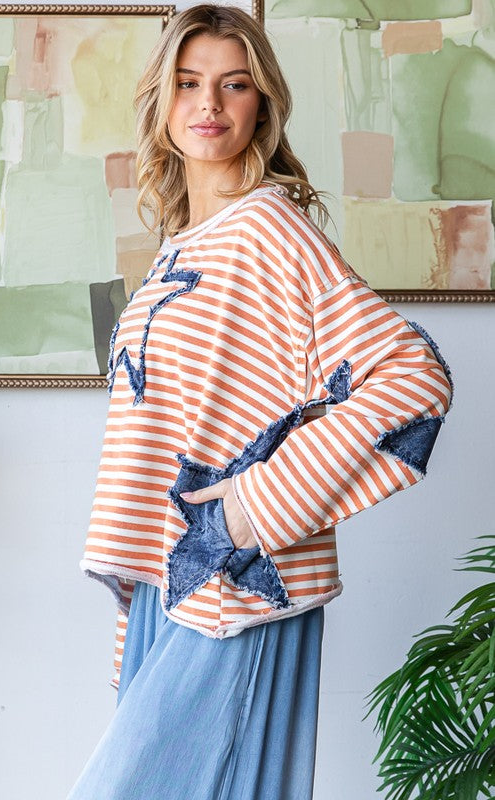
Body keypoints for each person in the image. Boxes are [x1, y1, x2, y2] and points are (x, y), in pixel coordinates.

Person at [67, 5, 453, 799]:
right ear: (162, 101)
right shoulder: (186, 245)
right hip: (173, 580)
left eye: (233, 84)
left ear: (262, 104)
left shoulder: (271, 232)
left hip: (237, 581)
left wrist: (255, 507)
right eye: (187, 83)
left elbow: (413, 378)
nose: (208, 103)